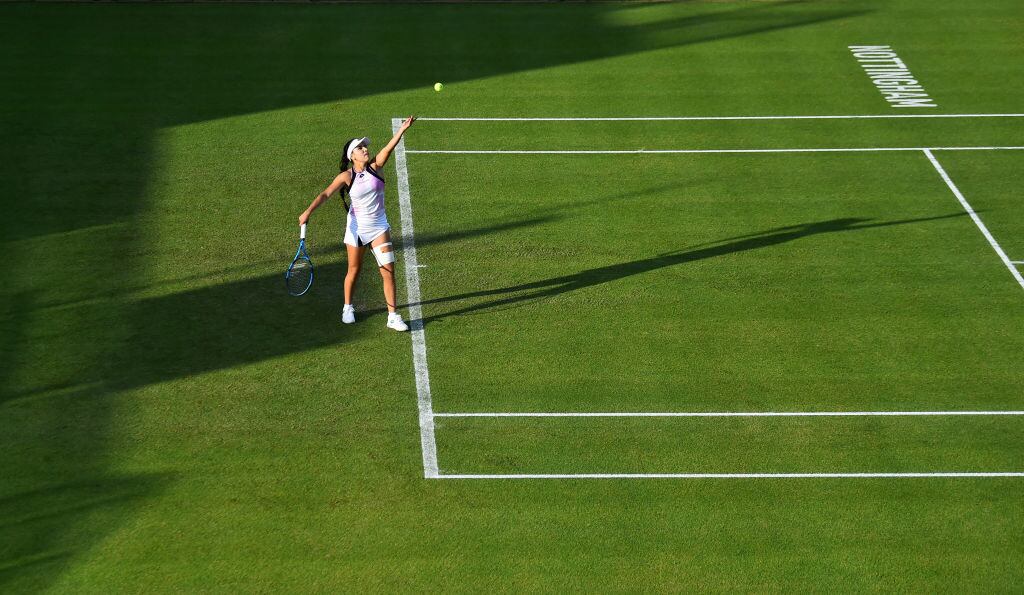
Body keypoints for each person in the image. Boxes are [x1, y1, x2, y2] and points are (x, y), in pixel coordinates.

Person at [299, 116, 416, 332]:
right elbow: (326, 194)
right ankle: (347, 307)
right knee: (354, 268)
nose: (364, 149)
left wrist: (402, 130)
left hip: (379, 227)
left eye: (364, 146)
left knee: (388, 270)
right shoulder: (346, 176)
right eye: (359, 148)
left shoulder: (376, 167)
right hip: (356, 229)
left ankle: (393, 316)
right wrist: (307, 212)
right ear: (351, 155)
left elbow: (388, 148)